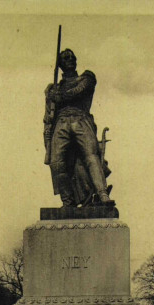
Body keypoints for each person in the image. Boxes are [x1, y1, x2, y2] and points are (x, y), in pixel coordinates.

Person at [43, 48, 114, 207]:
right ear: (60, 64)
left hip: (81, 120)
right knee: (57, 162)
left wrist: (59, 96)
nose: (69, 59)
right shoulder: (53, 89)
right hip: (60, 123)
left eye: (71, 56)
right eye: (65, 58)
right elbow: (48, 117)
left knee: (91, 156)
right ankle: (68, 202)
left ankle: (103, 194)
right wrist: (47, 139)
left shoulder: (87, 78)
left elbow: (78, 92)